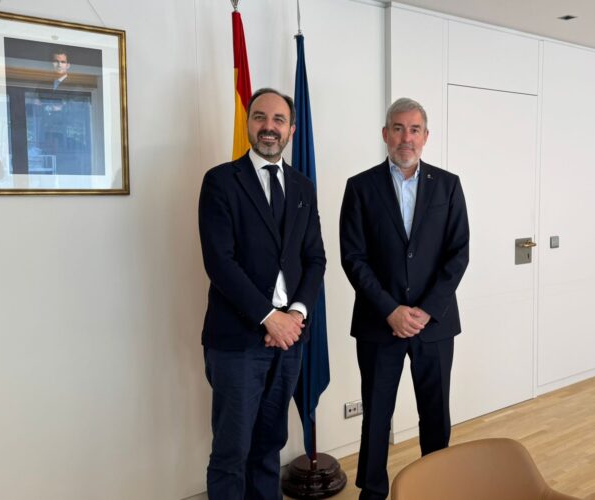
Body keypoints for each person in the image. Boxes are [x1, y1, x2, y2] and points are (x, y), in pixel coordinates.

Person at [198, 88, 326, 499]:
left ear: (291, 129)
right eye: (260, 117)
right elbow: (220, 262)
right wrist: (270, 319)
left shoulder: (303, 187)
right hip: (238, 341)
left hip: (290, 341)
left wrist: (296, 315)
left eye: (278, 120)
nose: (269, 127)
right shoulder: (220, 181)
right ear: (249, 123)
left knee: (269, 447)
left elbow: (315, 259)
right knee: (231, 452)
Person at [339, 97, 470, 500]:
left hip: (435, 325)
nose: (406, 137)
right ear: (385, 134)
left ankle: (436, 489)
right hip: (379, 325)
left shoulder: (448, 185)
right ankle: (372, 492)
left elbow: (458, 254)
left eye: (414, 129)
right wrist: (390, 310)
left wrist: (425, 311)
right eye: (398, 128)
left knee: (435, 414)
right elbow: (353, 257)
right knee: (377, 415)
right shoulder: (360, 187)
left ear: (426, 136)